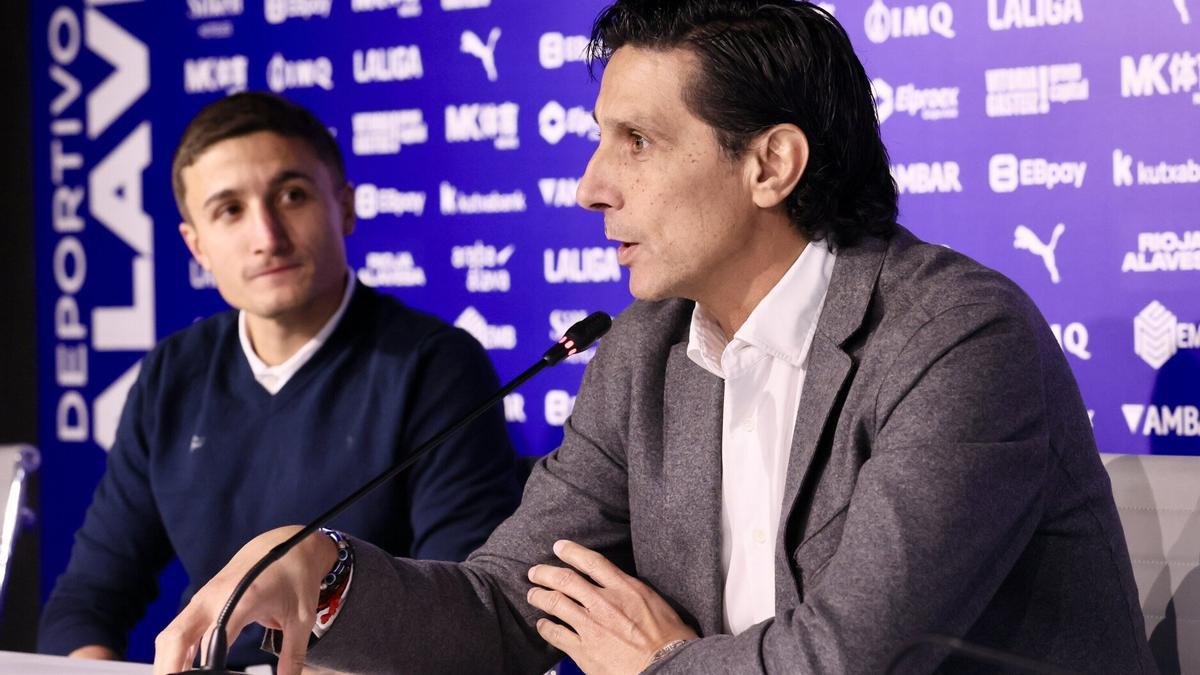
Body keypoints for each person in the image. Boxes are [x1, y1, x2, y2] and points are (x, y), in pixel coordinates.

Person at [153, 3, 1156, 674]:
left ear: (770, 164)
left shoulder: (955, 335)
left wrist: (656, 667)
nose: (592, 185)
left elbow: (854, 657)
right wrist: (328, 569)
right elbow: (510, 604)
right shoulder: (643, 351)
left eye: (635, 142)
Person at [38, 92, 523, 670]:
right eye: (229, 210)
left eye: (291, 196)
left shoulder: (434, 366)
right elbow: (88, 599)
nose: (267, 235)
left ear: (344, 207)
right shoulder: (173, 372)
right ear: (197, 246)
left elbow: (462, 619)